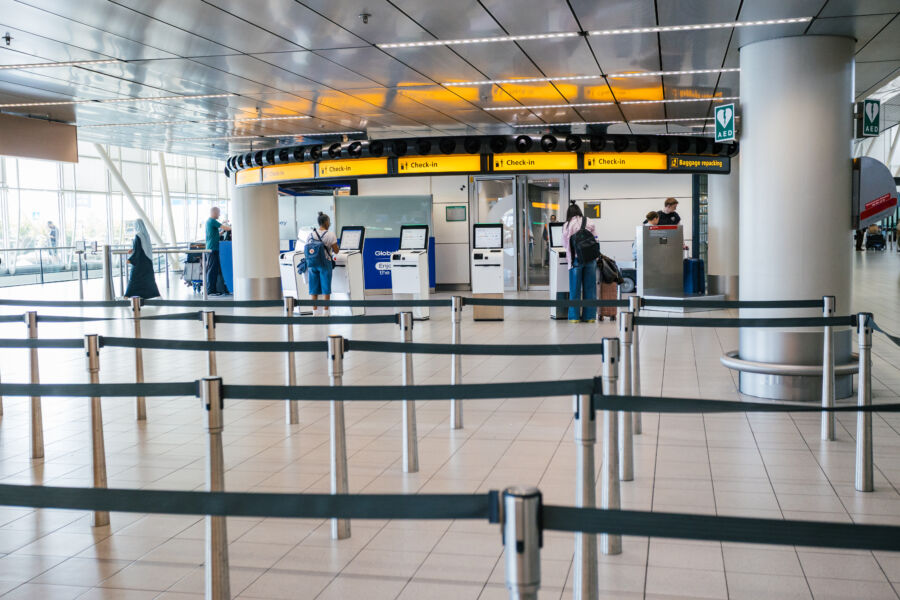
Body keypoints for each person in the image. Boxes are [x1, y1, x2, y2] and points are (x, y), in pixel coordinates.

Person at [560, 203, 597, 323]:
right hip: (590, 259)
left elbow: (565, 244)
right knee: (590, 289)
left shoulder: (567, 225)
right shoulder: (589, 221)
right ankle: (590, 316)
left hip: (575, 260)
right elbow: (596, 238)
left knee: (575, 289)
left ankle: (574, 317)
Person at [304, 212, 339, 316]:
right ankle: (326, 311)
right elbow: (336, 250)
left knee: (313, 288)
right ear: (326, 222)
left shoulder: (310, 234)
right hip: (325, 263)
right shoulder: (330, 234)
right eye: (329, 222)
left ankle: (315, 311)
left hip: (312, 264)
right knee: (326, 287)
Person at [124, 219, 160, 299]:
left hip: (139, 263)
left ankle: (126, 296)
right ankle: (156, 295)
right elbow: (143, 248)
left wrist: (131, 259)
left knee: (134, 279)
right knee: (148, 279)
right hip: (146, 262)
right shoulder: (145, 235)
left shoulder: (138, 235)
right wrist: (133, 249)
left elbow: (138, 250)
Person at [205, 207, 231, 296]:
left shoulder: (210, 221)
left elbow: (217, 233)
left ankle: (213, 289)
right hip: (212, 249)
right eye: (218, 213)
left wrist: (222, 231)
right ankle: (210, 290)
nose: (219, 215)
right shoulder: (212, 221)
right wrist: (231, 227)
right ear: (214, 212)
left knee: (214, 269)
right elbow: (226, 228)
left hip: (213, 248)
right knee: (212, 270)